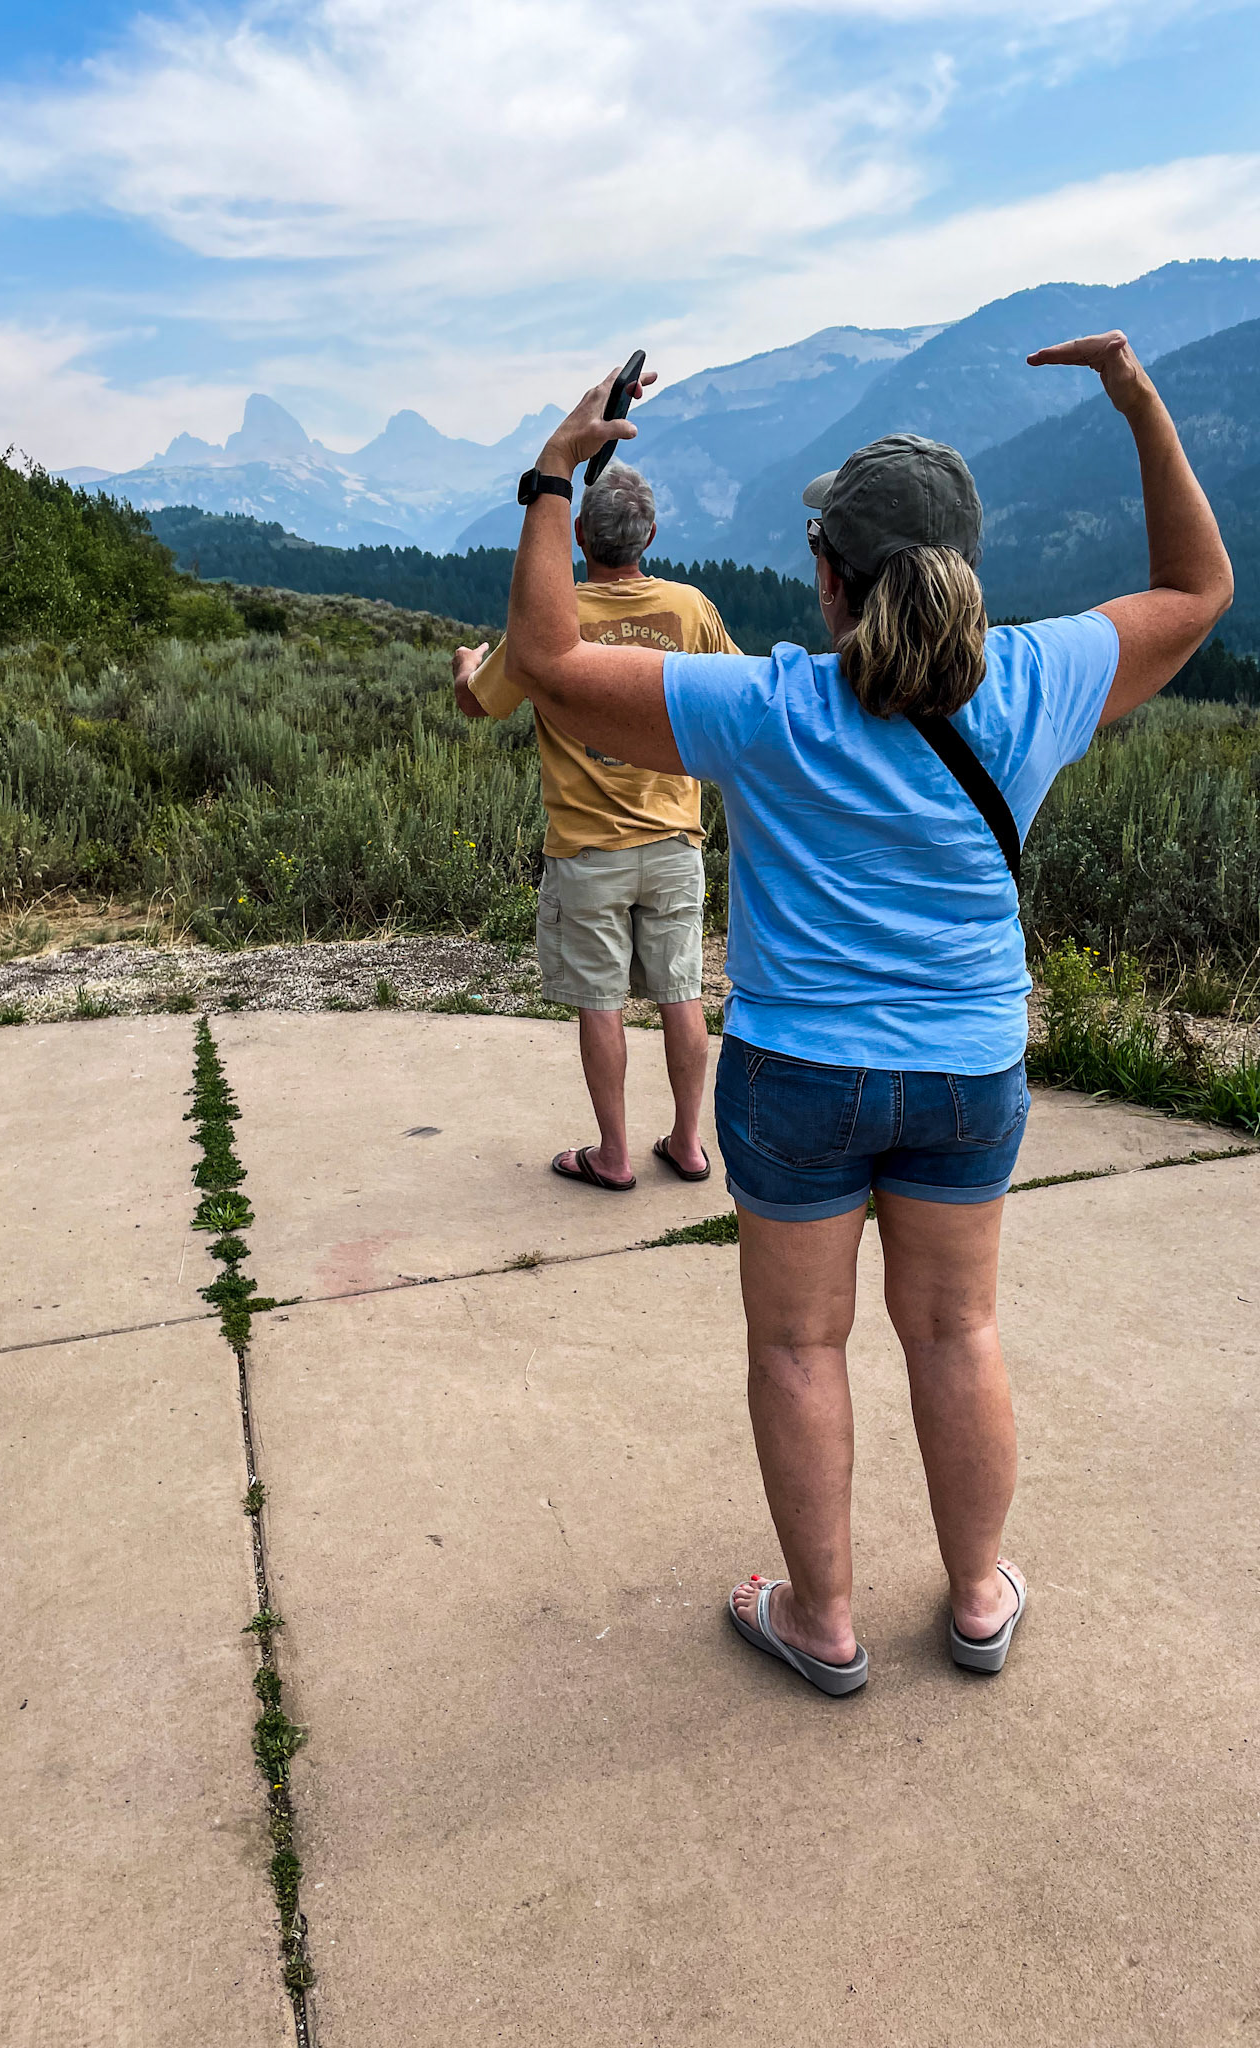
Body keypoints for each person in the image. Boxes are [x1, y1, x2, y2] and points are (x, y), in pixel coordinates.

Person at [497, 335, 1232, 1695]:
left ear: (828, 577)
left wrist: (555, 474)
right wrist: (1136, 403)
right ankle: (973, 1599)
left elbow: (544, 660)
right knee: (956, 1333)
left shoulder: (768, 708)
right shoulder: (1038, 681)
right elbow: (1198, 588)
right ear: (967, 574)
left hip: (796, 1078)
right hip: (969, 1073)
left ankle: (822, 1620)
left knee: (797, 1344)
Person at [452, 462, 737, 1193]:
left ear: (578, 536)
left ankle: (611, 1155)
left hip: (586, 849)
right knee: (682, 993)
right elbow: (738, 695)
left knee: (600, 1002)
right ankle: (688, 1141)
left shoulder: (548, 617)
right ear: (651, 535)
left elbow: (480, 705)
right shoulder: (691, 608)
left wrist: (465, 667)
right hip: (674, 838)